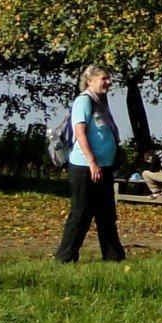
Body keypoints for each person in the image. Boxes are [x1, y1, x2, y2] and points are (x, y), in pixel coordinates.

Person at [55, 64, 127, 263]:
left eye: (108, 78)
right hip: (85, 167)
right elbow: (80, 133)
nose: (108, 82)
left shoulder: (101, 102)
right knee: (81, 213)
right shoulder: (83, 101)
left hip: (104, 166)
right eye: (104, 78)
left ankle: (114, 257)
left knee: (106, 213)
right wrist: (92, 162)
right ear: (90, 81)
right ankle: (66, 257)